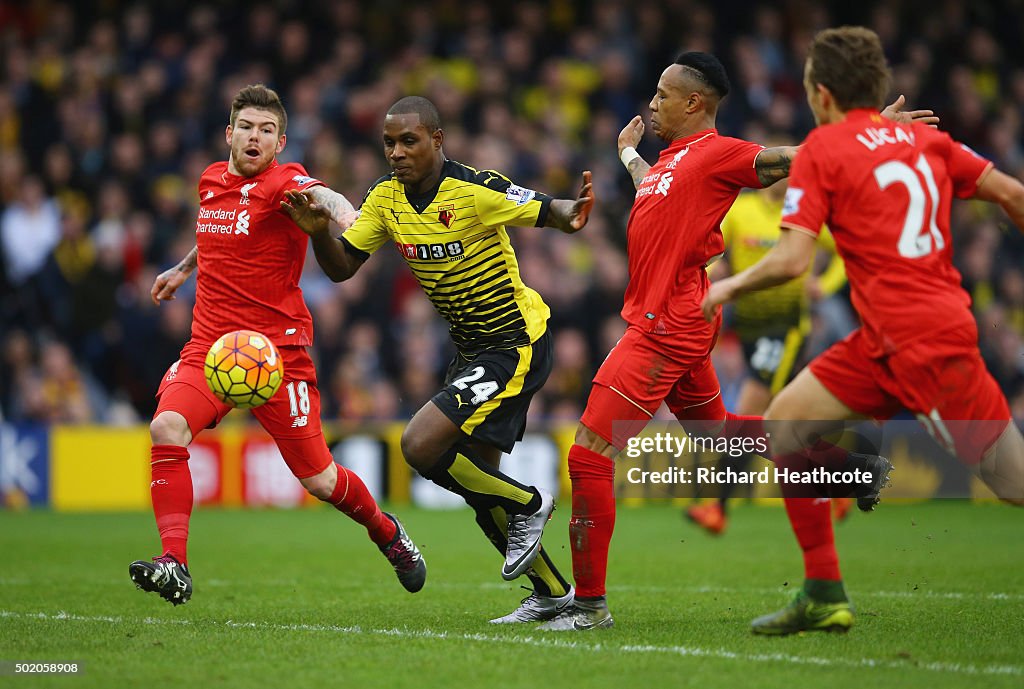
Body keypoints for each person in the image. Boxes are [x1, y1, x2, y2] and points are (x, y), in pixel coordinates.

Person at [540, 52, 927, 632]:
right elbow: (656, 191)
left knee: (588, 454)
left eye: (663, 93)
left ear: (694, 102)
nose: (652, 102)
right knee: (719, 434)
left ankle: (589, 604)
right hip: (684, 318)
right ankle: (849, 469)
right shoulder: (671, 161)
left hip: (664, 327)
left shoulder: (720, 153)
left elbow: (788, 160)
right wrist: (627, 154)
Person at [703, 26, 1024, 635]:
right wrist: (883, 132)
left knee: (1012, 484)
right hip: (883, 341)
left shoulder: (825, 149)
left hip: (927, 346)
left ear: (821, 95)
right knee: (785, 424)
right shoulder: (926, 142)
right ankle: (823, 593)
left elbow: (795, 261)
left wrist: (724, 287)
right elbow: (1010, 193)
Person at [282, 96, 594, 623]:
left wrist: (573, 212)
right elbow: (341, 269)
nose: (397, 152)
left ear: (436, 139)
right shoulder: (384, 200)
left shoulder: (474, 189)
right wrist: (318, 235)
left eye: (409, 141)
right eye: (389, 143)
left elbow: (546, 208)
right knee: (477, 486)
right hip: (472, 351)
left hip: (515, 342)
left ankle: (528, 503)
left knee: (419, 444)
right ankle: (551, 594)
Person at [129, 84, 426, 606]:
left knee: (319, 479)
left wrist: (347, 216)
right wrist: (181, 269)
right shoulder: (209, 182)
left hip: (277, 358)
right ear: (229, 133)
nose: (255, 137)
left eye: (267, 131)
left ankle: (386, 531)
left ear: (279, 142)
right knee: (166, 427)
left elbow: (324, 195)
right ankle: (174, 562)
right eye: (246, 127)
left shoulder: (284, 183)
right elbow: (215, 234)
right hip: (211, 350)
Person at [685, 174, 853, 535]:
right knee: (783, 416)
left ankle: (718, 507)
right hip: (746, 328)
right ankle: (841, 479)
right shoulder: (741, 210)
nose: (783, 175)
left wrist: (823, 286)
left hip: (785, 329)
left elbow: (845, 252)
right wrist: (710, 280)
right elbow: (711, 252)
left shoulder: (805, 214)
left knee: (750, 411)